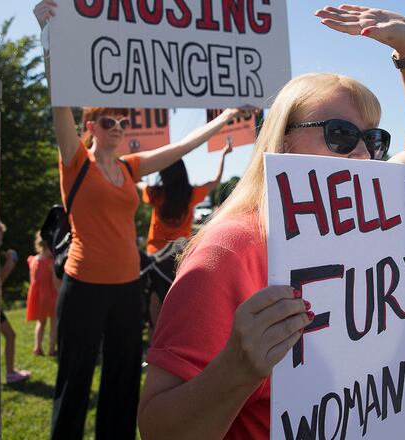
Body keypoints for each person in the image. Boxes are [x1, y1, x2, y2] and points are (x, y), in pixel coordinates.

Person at [138, 5, 405, 439]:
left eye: (373, 140)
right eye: (341, 136)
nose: (363, 155)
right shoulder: (228, 252)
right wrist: (237, 368)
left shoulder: (364, 218)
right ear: (284, 140)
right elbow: (159, 428)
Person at [33, 2, 255, 438]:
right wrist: (50, 43)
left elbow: (180, 150)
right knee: (75, 381)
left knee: (122, 379)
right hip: (83, 286)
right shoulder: (76, 162)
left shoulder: (132, 167)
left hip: (127, 288)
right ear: (90, 127)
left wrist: (226, 119)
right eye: (107, 120)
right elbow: (59, 103)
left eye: (122, 120)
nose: (117, 126)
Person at [137, 141, 234, 337]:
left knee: (155, 294)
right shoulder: (191, 194)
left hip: (155, 256)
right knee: (178, 297)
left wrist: (134, 160)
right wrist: (223, 155)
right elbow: (215, 181)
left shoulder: (155, 194)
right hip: (180, 255)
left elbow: (136, 180)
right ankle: (177, 335)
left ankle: (156, 336)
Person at [0, 222, 31, 384]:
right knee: (10, 335)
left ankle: (10, 372)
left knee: (10, 335)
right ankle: (10, 373)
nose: (0, 243)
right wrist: (10, 263)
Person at [25, 231, 60, 356]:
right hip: (51, 295)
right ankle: (52, 350)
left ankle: (37, 347)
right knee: (54, 323)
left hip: (38, 297)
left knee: (41, 323)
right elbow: (55, 281)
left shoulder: (33, 260)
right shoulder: (51, 262)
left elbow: (32, 280)